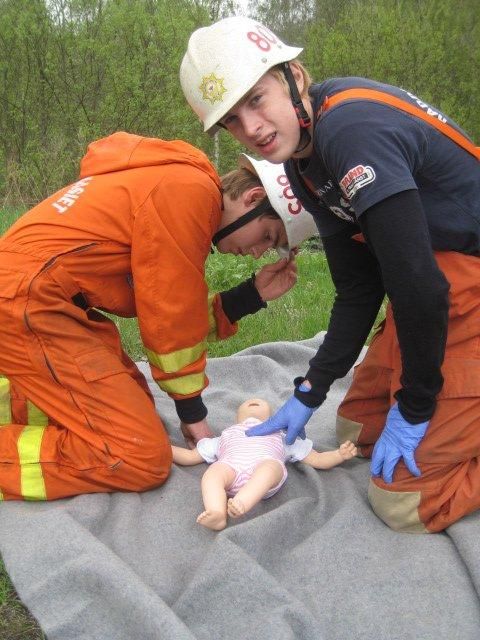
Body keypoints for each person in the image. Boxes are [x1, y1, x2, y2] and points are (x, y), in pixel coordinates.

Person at [180, 16, 480, 533]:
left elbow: (419, 288)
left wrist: (416, 405)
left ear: (294, 77)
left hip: (460, 283)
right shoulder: (305, 163)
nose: (250, 128)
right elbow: (360, 290)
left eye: (257, 99)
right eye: (231, 119)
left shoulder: (351, 129)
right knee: (355, 428)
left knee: (403, 505)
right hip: (435, 284)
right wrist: (309, 390)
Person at [0, 132, 317, 501]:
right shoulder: (189, 193)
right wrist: (193, 414)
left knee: (137, 410)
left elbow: (168, 310)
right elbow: (171, 325)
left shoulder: (176, 182)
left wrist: (252, 295)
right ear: (253, 198)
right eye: (267, 236)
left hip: (41, 299)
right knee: (137, 455)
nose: (259, 253)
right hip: (28, 303)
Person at [172, 397, 356, 530]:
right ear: (237, 418)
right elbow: (190, 456)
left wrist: (339, 455)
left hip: (263, 473)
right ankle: (216, 512)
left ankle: (244, 501)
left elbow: (317, 459)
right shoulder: (226, 435)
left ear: (273, 418)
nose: (254, 401)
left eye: (262, 403)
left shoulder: (282, 434)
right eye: (245, 403)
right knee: (213, 474)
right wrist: (164, 449)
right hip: (230, 471)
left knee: (271, 468)